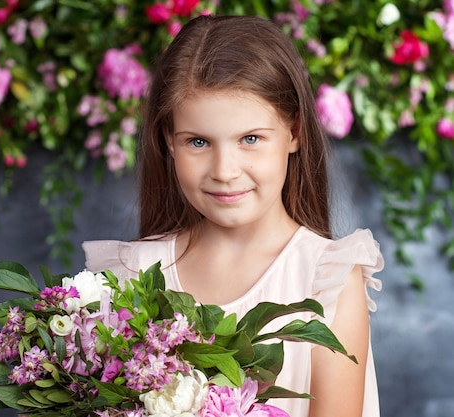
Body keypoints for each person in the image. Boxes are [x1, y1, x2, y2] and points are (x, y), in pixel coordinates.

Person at [82, 14, 383, 417]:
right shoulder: (132, 276)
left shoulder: (326, 279)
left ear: (294, 132)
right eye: (199, 141)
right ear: (169, 141)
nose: (224, 171)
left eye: (250, 139)